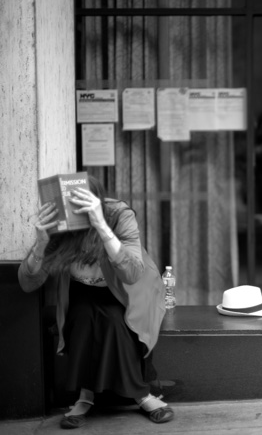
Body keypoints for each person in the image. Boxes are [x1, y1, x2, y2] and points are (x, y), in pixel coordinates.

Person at [18, 175, 174, 429]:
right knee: (80, 319)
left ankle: (141, 394)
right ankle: (85, 396)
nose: (72, 211)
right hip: (84, 291)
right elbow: (27, 283)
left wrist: (101, 224)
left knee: (115, 320)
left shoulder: (117, 214)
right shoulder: (58, 228)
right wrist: (41, 242)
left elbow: (132, 273)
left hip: (130, 289)